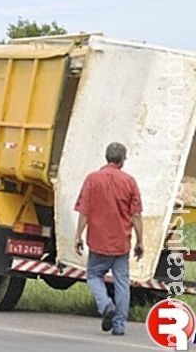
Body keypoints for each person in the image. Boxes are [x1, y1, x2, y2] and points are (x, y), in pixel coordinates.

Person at [74, 142, 144, 336]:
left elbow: (84, 212)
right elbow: (136, 215)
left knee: (93, 276)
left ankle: (106, 305)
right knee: (122, 282)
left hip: (98, 242)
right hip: (121, 243)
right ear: (122, 161)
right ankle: (119, 325)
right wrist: (140, 241)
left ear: (106, 157)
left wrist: (78, 236)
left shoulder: (92, 179)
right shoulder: (129, 182)